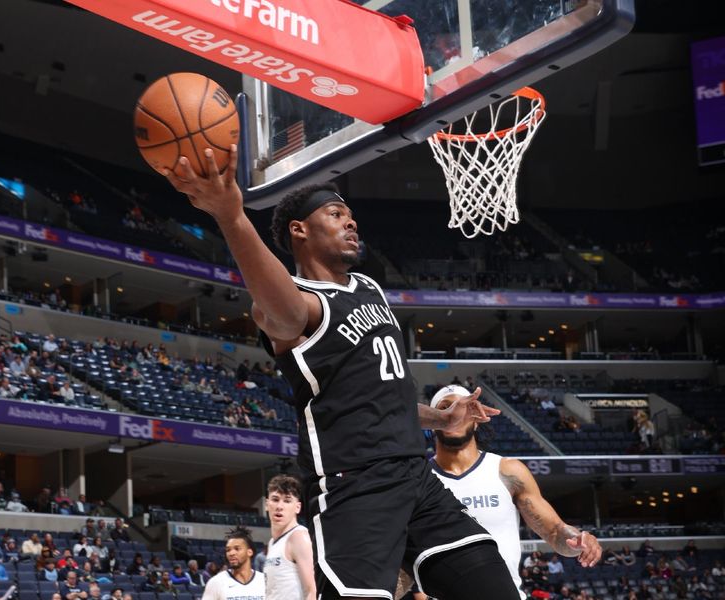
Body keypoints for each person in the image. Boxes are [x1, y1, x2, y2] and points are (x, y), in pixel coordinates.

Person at [165, 152, 515, 600]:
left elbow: (380, 398)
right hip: (357, 488)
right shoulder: (295, 304)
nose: (351, 224)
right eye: (335, 215)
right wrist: (231, 216)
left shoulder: (369, 288)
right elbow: (284, 310)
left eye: (351, 217)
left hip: (418, 480)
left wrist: (441, 420)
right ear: (300, 230)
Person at [408, 386, 602, 600]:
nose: (454, 414)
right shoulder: (418, 478)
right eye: (445, 408)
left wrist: (577, 540)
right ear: (434, 421)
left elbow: (554, 532)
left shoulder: (507, 470)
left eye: (461, 407)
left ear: (476, 418)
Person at [264, 475, 315, 600]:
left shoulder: (298, 537)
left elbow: (312, 590)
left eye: (287, 501)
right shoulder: (272, 542)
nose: (279, 506)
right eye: (275, 499)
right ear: (266, 504)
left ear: (297, 507)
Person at [201, 527, 265, 600]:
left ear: (249, 552)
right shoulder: (216, 582)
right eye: (228, 550)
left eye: (237, 549)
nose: (231, 553)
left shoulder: (264, 581)